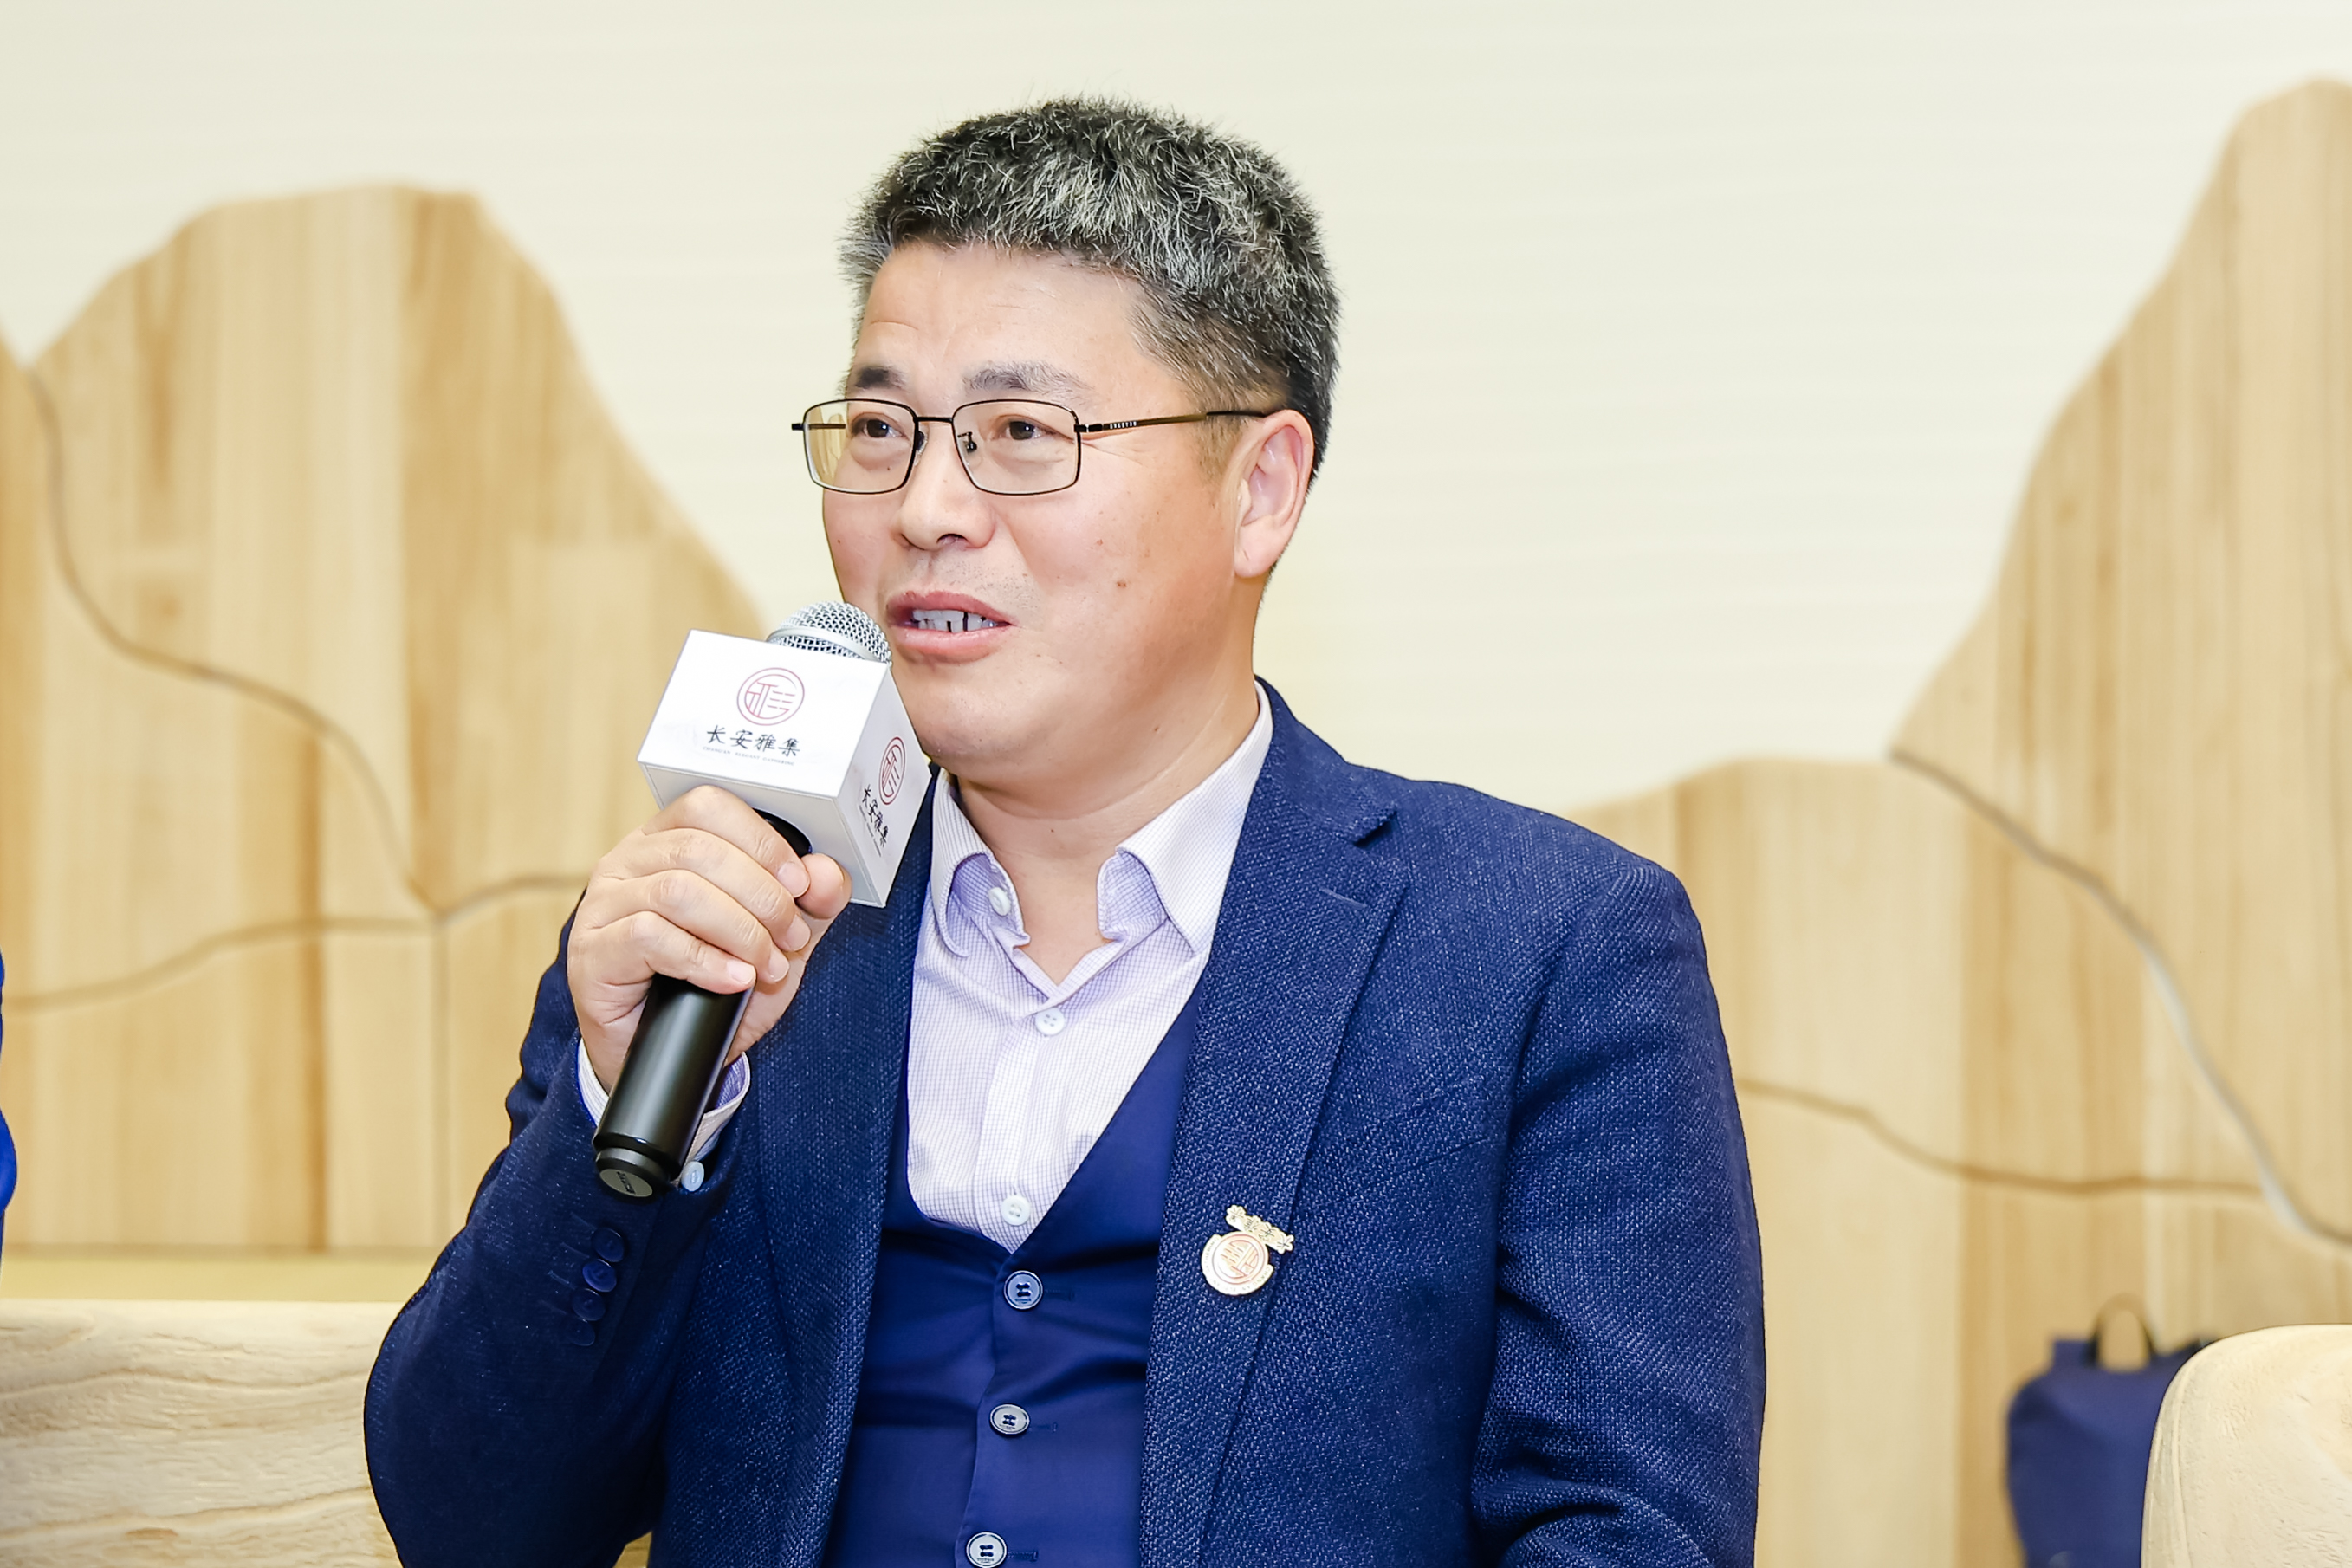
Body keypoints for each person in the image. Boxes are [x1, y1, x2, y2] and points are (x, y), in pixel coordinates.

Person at [366, 99, 1764, 1567]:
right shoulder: (723, 919)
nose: (927, 508)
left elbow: (1629, 1535)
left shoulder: (1543, 953)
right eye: (883, 429)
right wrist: (621, 1101)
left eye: (1022, 434)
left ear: (1260, 490)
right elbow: (473, 1522)